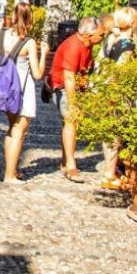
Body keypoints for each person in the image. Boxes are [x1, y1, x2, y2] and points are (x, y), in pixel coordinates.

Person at [48, 15, 104, 183]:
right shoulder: (74, 46)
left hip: (72, 87)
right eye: (100, 35)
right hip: (63, 88)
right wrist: (73, 104)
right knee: (71, 121)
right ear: (88, 34)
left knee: (69, 124)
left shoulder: (86, 44)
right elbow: (69, 78)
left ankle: (66, 162)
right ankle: (71, 166)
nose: (102, 37)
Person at [0, 3, 48, 183]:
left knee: (12, 128)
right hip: (22, 88)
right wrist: (44, 54)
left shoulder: (3, 35)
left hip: (5, 86)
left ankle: (10, 169)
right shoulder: (28, 42)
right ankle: (9, 175)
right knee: (20, 131)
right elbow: (37, 74)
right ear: (30, 19)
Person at [97, 7, 136, 190]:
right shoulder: (127, 45)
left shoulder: (112, 40)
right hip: (116, 93)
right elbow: (120, 72)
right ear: (131, 23)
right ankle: (110, 174)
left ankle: (110, 171)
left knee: (109, 133)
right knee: (115, 133)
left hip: (105, 90)